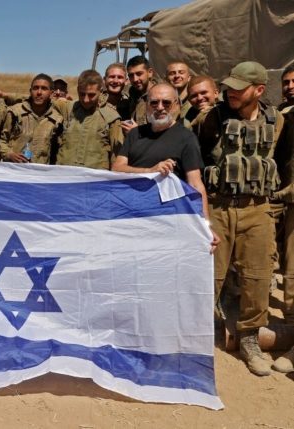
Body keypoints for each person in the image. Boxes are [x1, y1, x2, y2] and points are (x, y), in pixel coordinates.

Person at [193, 61, 285, 377]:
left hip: (257, 208)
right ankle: (195, 336)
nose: (231, 92)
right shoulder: (211, 119)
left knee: (258, 277)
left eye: (239, 87)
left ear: (258, 90)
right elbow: (196, 158)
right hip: (218, 207)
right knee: (209, 275)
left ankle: (249, 340)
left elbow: (281, 161)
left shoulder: (278, 121)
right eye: (229, 86)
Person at [111, 83, 219, 252]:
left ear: (177, 105)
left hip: (167, 221)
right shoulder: (134, 134)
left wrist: (205, 225)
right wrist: (150, 171)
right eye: (154, 103)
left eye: (166, 103)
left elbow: (195, 185)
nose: (160, 107)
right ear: (147, 105)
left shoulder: (186, 138)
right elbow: (117, 168)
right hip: (132, 218)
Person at [53, 69, 124, 170]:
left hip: (94, 180)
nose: (86, 100)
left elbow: (117, 157)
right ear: (78, 90)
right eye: (82, 94)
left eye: (91, 95)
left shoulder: (111, 117)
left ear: (100, 91)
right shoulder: (68, 108)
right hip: (64, 177)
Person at [0, 73, 63, 164]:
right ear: (30, 91)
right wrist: (9, 154)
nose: (39, 92)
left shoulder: (56, 120)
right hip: (14, 171)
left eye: (44, 88)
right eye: (35, 88)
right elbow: (1, 140)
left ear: (51, 93)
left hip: (38, 174)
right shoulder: (15, 113)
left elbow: (57, 151)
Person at [121, 55, 159, 132]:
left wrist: (138, 131)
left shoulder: (161, 95)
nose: (135, 79)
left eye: (139, 74)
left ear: (150, 73)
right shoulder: (132, 93)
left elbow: (166, 131)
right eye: (131, 75)